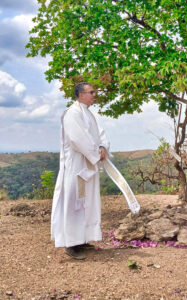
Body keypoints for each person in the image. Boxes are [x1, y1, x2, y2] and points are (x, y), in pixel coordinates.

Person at [51, 82, 110, 260]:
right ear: (80, 94)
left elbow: (100, 134)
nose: (94, 95)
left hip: (87, 165)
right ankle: (71, 243)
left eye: (94, 92)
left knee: (87, 202)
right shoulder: (72, 113)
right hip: (76, 166)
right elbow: (77, 139)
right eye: (91, 92)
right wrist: (95, 153)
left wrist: (102, 147)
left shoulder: (88, 114)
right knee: (74, 203)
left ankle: (83, 238)